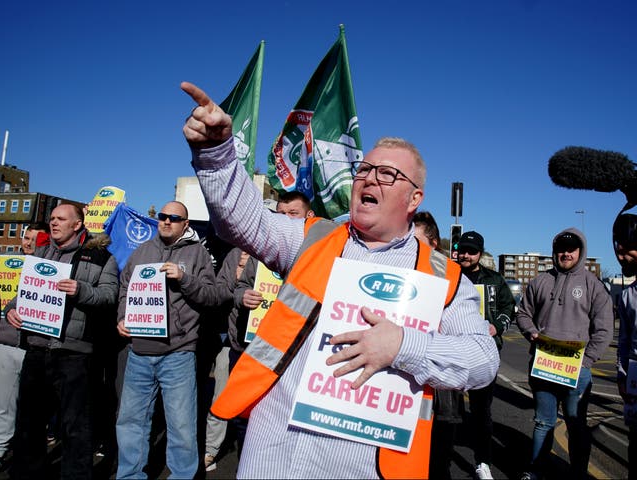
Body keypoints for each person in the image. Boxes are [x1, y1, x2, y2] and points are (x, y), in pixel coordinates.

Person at [181, 81, 499, 479]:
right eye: (365, 169)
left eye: (387, 174)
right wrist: (216, 154)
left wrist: (403, 345)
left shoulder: (444, 277)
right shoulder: (312, 237)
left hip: (368, 460)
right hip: (277, 446)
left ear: (414, 199)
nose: (369, 178)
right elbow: (243, 219)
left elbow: (483, 360)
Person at [5, 205, 119, 479]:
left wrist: (81, 290)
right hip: (37, 348)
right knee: (29, 425)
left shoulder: (102, 257)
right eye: (52, 218)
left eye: (61, 219)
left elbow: (109, 296)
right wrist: (11, 308)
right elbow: (21, 294)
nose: (54, 223)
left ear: (77, 225)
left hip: (74, 354)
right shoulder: (40, 255)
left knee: (75, 427)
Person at [204, 191, 315, 471]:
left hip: (295, 356)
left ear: (309, 217)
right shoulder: (261, 253)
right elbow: (240, 287)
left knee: (286, 420)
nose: (285, 220)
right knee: (245, 416)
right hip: (251, 348)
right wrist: (244, 296)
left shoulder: (319, 256)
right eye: (280, 214)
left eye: (293, 214)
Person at [115, 201, 218, 479]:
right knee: (131, 422)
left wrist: (184, 278)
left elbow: (212, 296)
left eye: (174, 218)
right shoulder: (143, 251)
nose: (166, 221)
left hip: (178, 353)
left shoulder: (198, 254)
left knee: (182, 426)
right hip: (139, 351)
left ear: (186, 224)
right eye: (163, 216)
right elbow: (125, 288)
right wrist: (122, 316)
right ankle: (130, 475)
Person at [516, 228, 613, 480]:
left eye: (571, 249)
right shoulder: (540, 281)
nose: (566, 253)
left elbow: (603, 329)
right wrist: (532, 333)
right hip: (543, 367)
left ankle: (578, 474)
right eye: (561, 249)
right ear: (554, 251)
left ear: (581, 251)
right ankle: (535, 471)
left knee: (576, 424)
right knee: (543, 422)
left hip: (576, 371)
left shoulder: (593, 286)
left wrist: (587, 361)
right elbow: (523, 314)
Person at [456, 230, 515, 480]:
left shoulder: (494, 279)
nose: (466, 255)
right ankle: (440, 456)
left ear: (480, 254)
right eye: (463, 250)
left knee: (482, 411)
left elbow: (508, 307)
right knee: (448, 411)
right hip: (452, 348)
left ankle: (483, 462)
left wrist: (497, 326)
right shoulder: (450, 275)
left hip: (483, 352)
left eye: (471, 251)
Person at [412, 211, 465, 480]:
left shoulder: (453, 280)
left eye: (417, 240)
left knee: (439, 455)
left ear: (433, 244)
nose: (409, 246)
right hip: (408, 380)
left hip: (441, 381)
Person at [0, 223, 50, 472]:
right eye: (26, 238)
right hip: (7, 342)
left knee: (31, 411)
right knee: (3, 404)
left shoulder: (51, 269)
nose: (28, 243)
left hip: (37, 347)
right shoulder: (6, 264)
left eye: (35, 239)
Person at [613, 212, 637, 480]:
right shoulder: (628, 295)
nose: (621, 257)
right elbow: (625, 341)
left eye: (626, 250)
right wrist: (622, 376)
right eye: (618, 250)